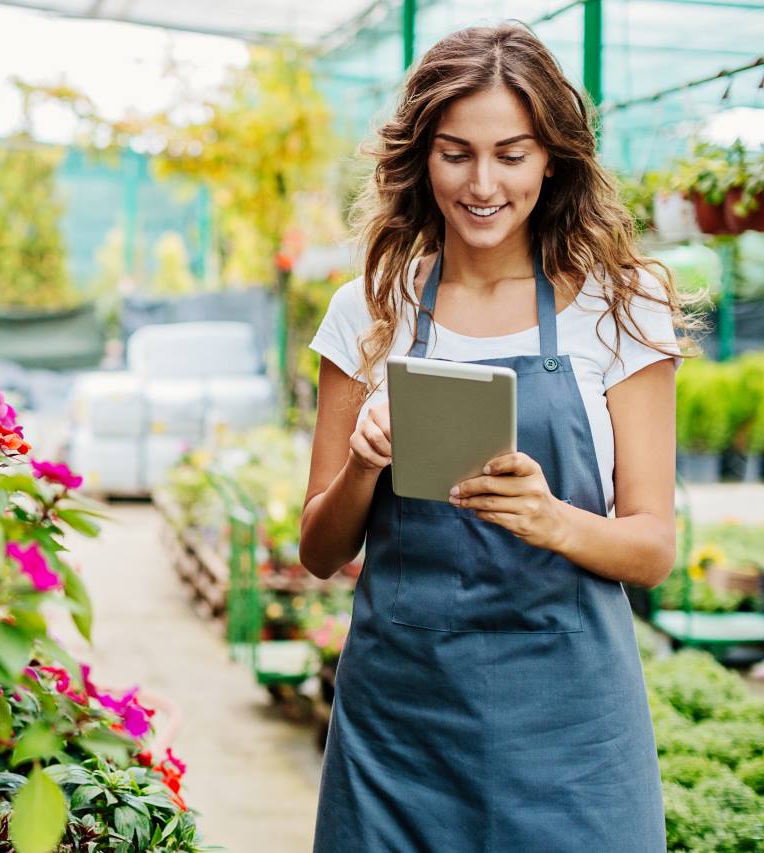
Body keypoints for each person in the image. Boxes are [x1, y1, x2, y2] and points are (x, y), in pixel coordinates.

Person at [300, 23, 693, 852]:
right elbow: (318, 548)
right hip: (398, 733)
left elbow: (654, 546)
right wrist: (365, 467)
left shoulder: (620, 309)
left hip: (573, 738)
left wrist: (552, 519)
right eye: (456, 153)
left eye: (511, 154)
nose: (483, 183)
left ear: (553, 159)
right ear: (420, 157)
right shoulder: (369, 312)